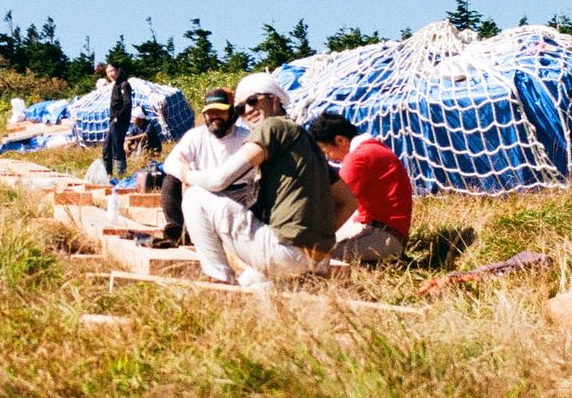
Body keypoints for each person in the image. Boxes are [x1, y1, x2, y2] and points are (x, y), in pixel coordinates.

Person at [177, 72, 353, 289]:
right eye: (240, 108)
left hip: (284, 252)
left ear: (275, 99)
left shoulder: (274, 127)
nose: (247, 110)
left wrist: (187, 175)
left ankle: (219, 279)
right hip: (316, 259)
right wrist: (315, 238)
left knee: (195, 196)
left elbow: (219, 179)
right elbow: (349, 201)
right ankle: (299, 279)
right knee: (247, 290)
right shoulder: (305, 142)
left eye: (253, 101)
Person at [306, 112, 414, 265]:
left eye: (327, 151)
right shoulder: (372, 148)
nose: (329, 158)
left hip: (383, 236)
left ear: (340, 140)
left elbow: (333, 202)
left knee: (314, 255)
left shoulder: (358, 158)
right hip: (388, 232)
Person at [158, 87, 257, 246]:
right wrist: (188, 176)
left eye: (220, 111)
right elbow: (170, 163)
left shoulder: (246, 137)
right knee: (170, 183)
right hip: (200, 187)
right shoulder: (196, 135)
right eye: (210, 112)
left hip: (235, 191)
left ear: (232, 113)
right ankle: (179, 231)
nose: (214, 116)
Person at [101, 61, 134, 179]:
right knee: (106, 149)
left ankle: (121, 175)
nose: (111, 74)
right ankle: (108, 175)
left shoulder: (124, 84)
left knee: (117, 147)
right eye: (108, 72)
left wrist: (117, 117)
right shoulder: (115, 85)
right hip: (113, 121)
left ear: (118, 70)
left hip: (120, 121)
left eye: (112, 71)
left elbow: (127, 103)